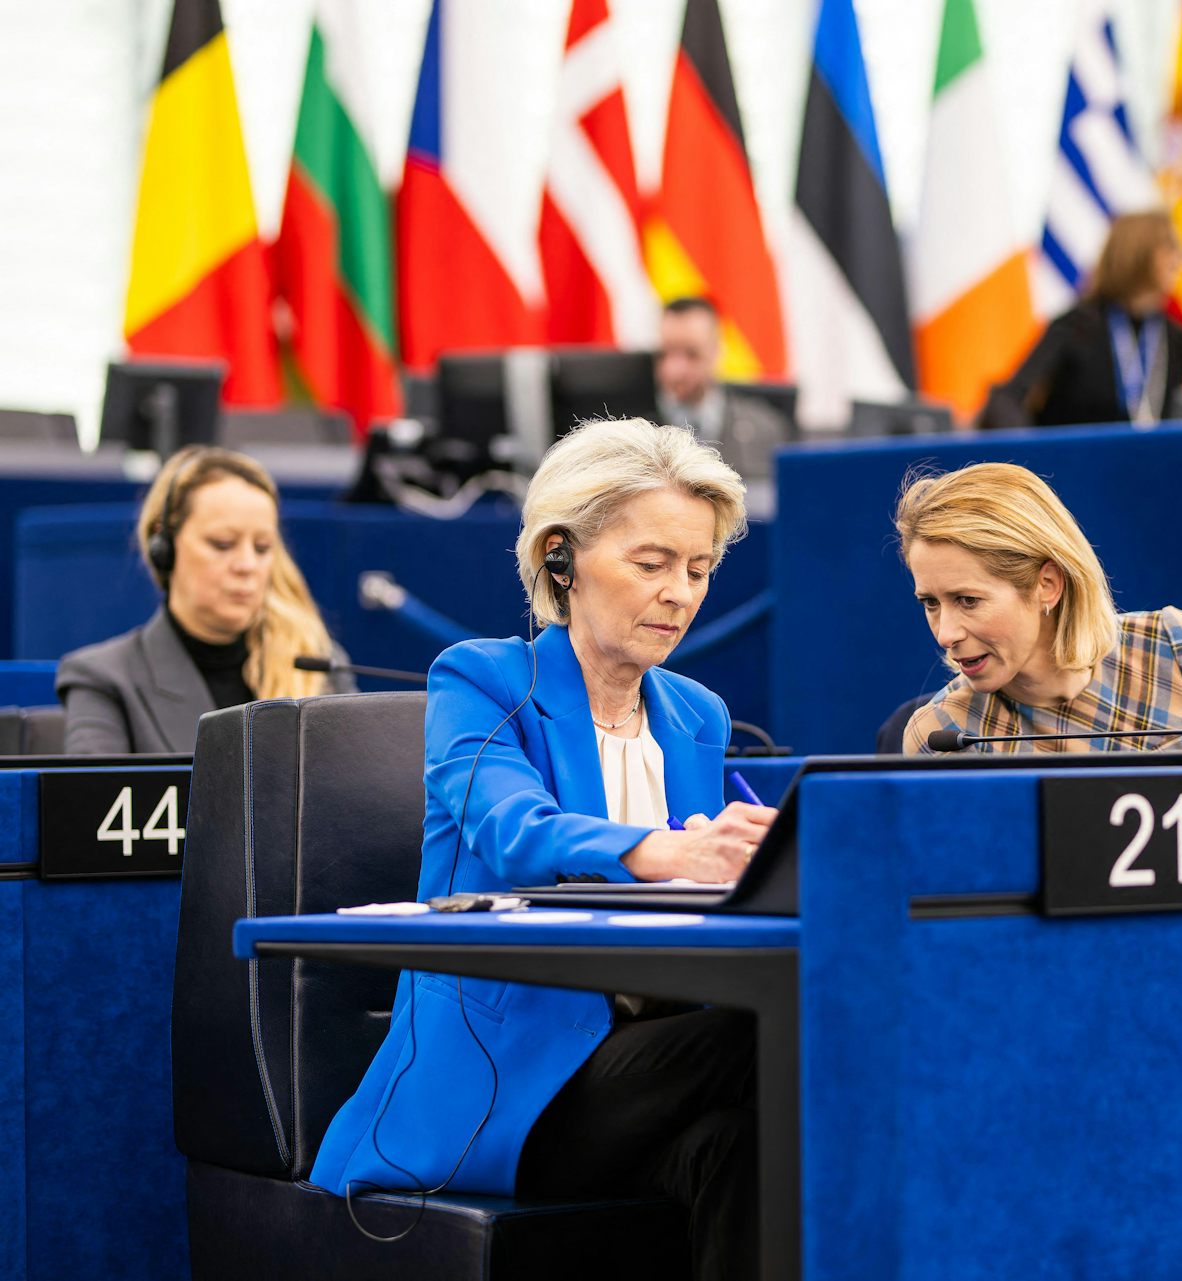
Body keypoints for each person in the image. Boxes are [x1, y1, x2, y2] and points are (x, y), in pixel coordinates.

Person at [311, 419, 776, 1281]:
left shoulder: (698, 716)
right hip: (510, 1084)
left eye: (699, 568)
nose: (680, 591)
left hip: (648, 1068)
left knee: (741, 1146)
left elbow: (722, 866)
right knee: (764, 1040)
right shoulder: (481, 682)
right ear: (561, 557)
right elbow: (515, 832)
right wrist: (668, 852)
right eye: (652, 562)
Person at [895, 462, 1182, 754]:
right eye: (930, 603)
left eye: (968, 601)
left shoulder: (1173, 647)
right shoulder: (941, 732)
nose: (946, 634)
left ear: (1046, 585)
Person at [56, 446, 352, 754]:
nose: (247, 565)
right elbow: (93, 800)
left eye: (262, 547)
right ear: (164, 545)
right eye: (222, 544)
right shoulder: (104, 678)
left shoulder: (318, 666)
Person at [984, 210, 1182, 429]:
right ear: (1137, 251)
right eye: (1170, 247)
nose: (1181, 258)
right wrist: (1031, 454)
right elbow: (1007, 399)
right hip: (1072, 458)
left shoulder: (1175, 338)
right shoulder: (1076, 326)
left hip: (1143, 459)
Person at [655, 295, 793, 482]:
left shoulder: (765, 430)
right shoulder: (632, 434)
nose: (674, 370)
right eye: (665, 353)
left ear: (716, 351)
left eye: (691, 354)